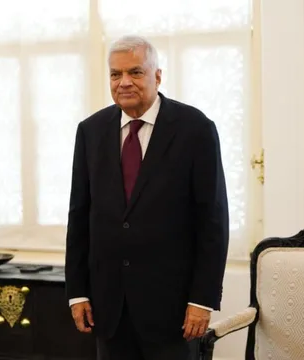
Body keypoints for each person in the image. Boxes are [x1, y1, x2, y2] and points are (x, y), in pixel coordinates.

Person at [65, 35, 229, 359]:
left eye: (135, 72)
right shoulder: (90, 131)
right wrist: (77, 292)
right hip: (109, 309)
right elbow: (79, 215)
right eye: (115, 74)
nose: (124, 82)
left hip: (174, 312)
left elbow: (213, 221)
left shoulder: (195, 129)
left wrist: (202, 300)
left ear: (157, 76)